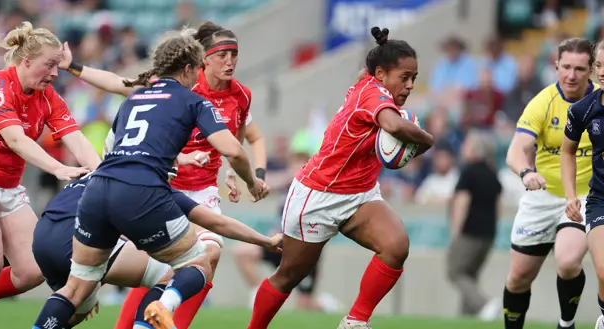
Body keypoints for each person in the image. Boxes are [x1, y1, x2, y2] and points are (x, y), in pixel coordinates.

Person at [30, 28, 271, 329]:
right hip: (148, 190)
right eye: (215, 58)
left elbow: (130, 144)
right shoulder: (193, 99)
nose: (227, 61)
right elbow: (234, 149)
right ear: (192, 67)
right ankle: (157, 311)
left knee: (77, 289)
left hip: (100, 186)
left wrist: (186, 160)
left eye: (233, 54)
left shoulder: (137, 98)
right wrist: (250, 181)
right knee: (199, 262)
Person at [246, 27, 434, 329]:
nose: (411, 85)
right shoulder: (372, 92)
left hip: (360, 194)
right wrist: (427, 140)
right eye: (405, 77)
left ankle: (355, 321)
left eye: (414, 77)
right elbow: (394, 127)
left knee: (396, 246)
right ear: (382, 74)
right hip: (318, 195)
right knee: (290, 275)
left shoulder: (376, 88)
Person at [114, 21, 269, 329]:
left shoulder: (241, 95)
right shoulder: (184, 89)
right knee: (162, 266)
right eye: (222, 54)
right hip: (166, 188)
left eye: (234, 54)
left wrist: (233, 173)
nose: (230, 61)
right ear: (203, 59)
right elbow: (124, 91)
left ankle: (163, 314)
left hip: (202, 191)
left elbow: (239, 138)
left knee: (209, 254)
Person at [0, 21, 99, 329]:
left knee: (32, 270)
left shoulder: (47, 97)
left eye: (58, 65)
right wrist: (58, 168)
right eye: (50, 65)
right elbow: (16, 139)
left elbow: (76, 138)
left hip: (8, 185)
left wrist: (104, 174)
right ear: (26, 61)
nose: (56, 73)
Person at [32, 168, 281, 328]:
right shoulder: (149, 184)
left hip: (43, 236)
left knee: (77, 306)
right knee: (189, 263)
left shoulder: (104, 167)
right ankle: (155, 314)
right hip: (74, 242)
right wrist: (266, 241)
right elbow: (217, 222)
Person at [503, 37, 595, 329]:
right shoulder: (542, 102)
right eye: (566, 67)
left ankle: (565, 324)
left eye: (580, 69)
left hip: (584, 195)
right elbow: (517, 148)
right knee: (518, 278)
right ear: (556, 66)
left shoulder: (600, 102)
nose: (571, 75)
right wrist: (526, 173)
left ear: (592, 70)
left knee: (567, 262)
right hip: (542, 196)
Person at [234, 151, 341, 312]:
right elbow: (264, 183)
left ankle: (326, 305)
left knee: (304, 304)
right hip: (280, 243)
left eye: (301, 166)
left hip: (303, 249)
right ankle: (258, 293)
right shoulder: (287, 187)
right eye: (294, 166)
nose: (296, 170)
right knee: (242, 253)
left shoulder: (316, 190)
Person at [562, 40, 604, 329]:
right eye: (599, 66)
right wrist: (570, 196)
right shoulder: (582, 110)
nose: (603, 72)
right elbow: (567, 151)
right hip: (601, 199)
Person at [446, 130, 502, 320]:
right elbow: (498, 207)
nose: (463, 148)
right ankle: (467, 317)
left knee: (455, 272)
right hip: (488, 234)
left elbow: (462, 202)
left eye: (467, 145)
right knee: (470, 275)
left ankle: (484, 304)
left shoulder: (469, 172)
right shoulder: (493, 174)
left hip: (469, 232)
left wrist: (455, 231)